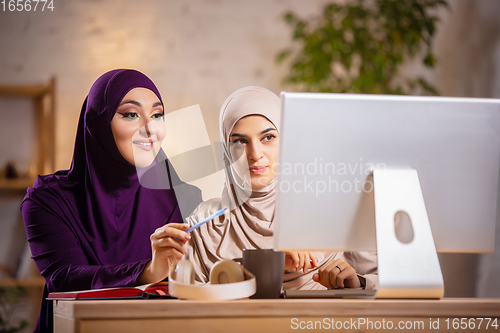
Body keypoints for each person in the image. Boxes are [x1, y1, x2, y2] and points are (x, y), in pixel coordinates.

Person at [20, 69, 201, 333]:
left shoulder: (185, 199)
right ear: (98, 123)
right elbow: (64, 280)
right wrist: (147, 271)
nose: (150, 129)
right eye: (131, 114)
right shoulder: (47, 201)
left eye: (157, 115)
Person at [153, 86, 377, 290]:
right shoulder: (204, 224)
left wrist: (357, 283)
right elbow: (185, 306)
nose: (255, 154)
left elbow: (391, 284)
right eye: (240, 141)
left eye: (268, 137)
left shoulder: (336, 212)